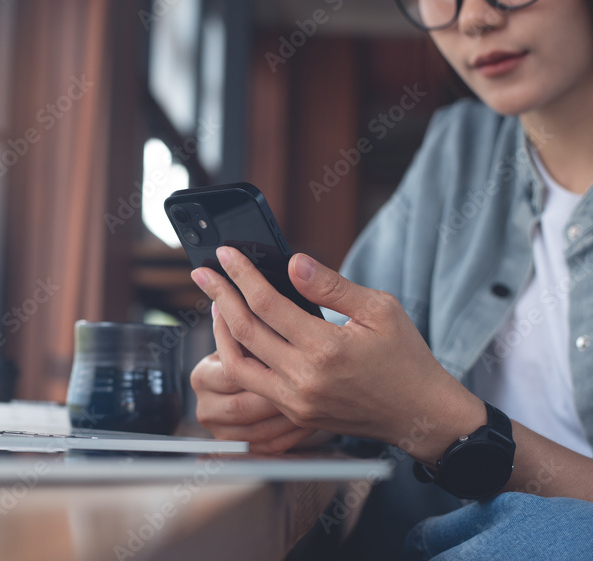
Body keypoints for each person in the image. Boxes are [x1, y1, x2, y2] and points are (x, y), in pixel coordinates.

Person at [188, 0, 593, 558]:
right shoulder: (461, 149)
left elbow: (409, 407)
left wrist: (445, 427)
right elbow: (356, 363)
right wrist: (297, 395)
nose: (474, 18)